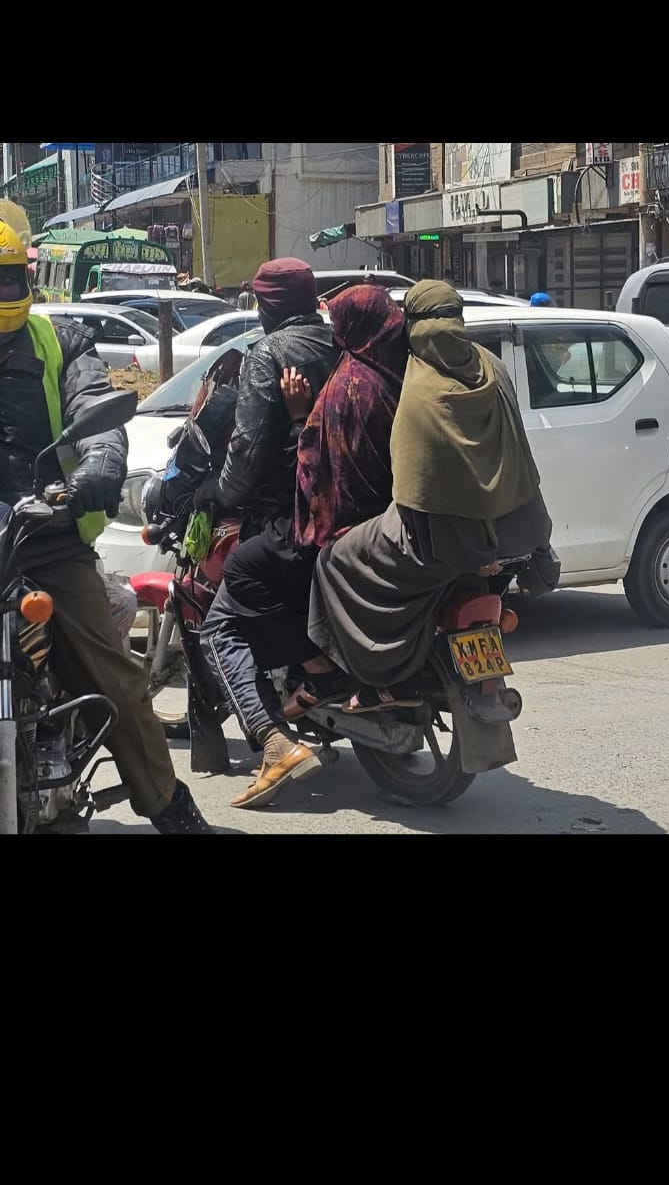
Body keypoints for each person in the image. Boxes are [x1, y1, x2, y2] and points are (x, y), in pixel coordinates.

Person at [0, 220, 210, 833]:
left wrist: (98, 463)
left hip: (44, 533)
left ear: (27, 280)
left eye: (8, 278)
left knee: (115, 680)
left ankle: (168, 803)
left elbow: (94, 408)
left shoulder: (59, 340)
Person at [299, 280, 559, 713]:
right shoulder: (493, 365)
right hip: (520, 530)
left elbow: (407, 485)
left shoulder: (412, 377)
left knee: (334, 560)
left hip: (442, 538)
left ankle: (369, 675)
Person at [200, 284, 408, 809]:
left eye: (342, 323)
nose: (334, 331)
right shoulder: (386, 372)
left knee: (227, 607)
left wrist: (295, 417)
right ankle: (309, 674)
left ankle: (277, 739)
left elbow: (314, 467)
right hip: (378, 524)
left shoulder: (345, 386)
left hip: (324, 525)